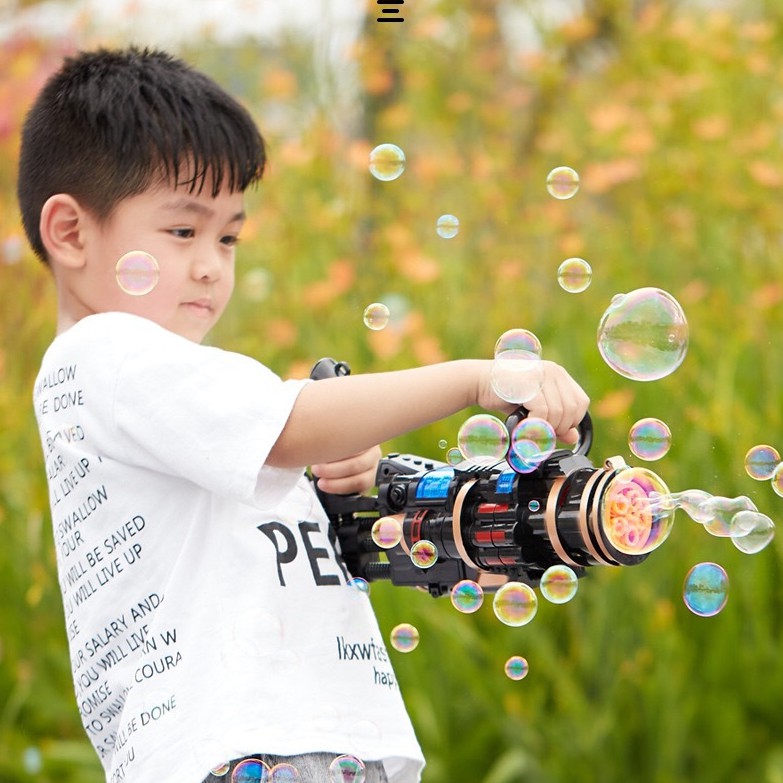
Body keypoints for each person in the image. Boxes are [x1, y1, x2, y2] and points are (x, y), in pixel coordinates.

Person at [18, 47, 590, 783]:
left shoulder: (164, 390)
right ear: (70, 232)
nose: (209, 264)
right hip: (256, 755)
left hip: (312, 745)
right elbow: (290, 425)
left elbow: (271, 492)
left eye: (227, 236)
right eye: (182, 231)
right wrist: (475, 379)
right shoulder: (103, 352)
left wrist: (335, 486)